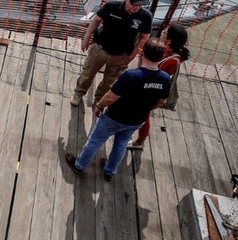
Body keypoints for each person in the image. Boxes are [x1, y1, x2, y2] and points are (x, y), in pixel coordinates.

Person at [65, 37, 171, 180]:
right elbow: (161, 101)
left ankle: (79, 166)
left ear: (142, 53)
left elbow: (111, 97)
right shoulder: (165, 79)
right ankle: (109, 171)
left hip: (115, 117)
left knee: (95, 141)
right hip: (137, 120)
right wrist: (146, 108)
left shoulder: (131, 75)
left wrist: (99, 106)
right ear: (162, 56)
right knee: (120, 144)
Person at [71, 0, 152, 107]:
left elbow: (144, 37)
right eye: (134, 3)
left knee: (110, 81)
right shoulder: (112, 6)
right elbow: (96, 20)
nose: (136, 7)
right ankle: (79, 93)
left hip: (122, 54)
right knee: (88, 73)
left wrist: (132, 55)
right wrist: (86, 38)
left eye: (140, 5)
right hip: (100, 48)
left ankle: (100, 100)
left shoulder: (146, 16)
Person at [129, 23, 190, 149]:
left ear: (169, 40)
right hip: (151, 87)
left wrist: (143, 60)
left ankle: (140, 141)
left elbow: (153, 74)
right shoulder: (168, 52)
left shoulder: (172, 61)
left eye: (164, 33)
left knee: (144, 116)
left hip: (151, 91)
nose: (161, 32)